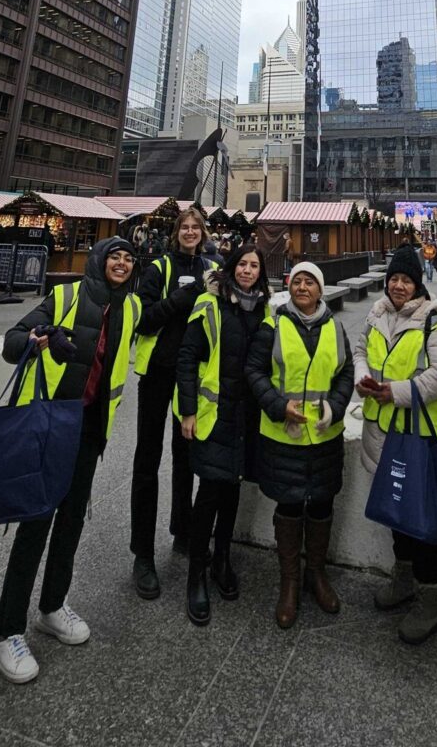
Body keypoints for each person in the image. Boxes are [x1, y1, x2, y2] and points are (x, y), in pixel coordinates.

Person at [0, 237, 141, 684]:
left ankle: (52, 607)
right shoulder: (65, 296)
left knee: (72, 521)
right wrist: (42, 340)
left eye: (129, 259)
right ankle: (5, 633)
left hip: (91, 431)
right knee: (35, 524)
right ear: (99, 261)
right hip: (50, 424)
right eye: (115, 256)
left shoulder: (130, 308)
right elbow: (11, 341)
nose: (122, 263)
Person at [353, 244, 437, 645]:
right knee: (397, 514)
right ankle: (403, 580)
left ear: (417, 285)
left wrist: (393, 392)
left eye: (406, 280)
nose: (398, 285)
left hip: (416, 436)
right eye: (394, 279)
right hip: (381, 433)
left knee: (420, 521)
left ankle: (430, 602)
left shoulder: (433, 323)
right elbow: (361, 349)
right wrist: (364, 378)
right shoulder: (377, 314)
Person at [246, 262, 354, 628]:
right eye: (297, 281)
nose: (302, 287)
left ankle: (316, 574)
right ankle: (289, 582)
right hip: (283, 435)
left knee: (322, 501)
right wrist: (278, 407)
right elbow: (254, 371)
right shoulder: (273, 325)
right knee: (290, 504)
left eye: (310, 282)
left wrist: (335, 408)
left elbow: (346, 374)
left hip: (324, 435)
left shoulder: (336, 328)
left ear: (321, 290)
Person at [176, 244, 270, 625]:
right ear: (231, 268)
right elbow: (187, 357)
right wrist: (187, 410)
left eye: (254, 266)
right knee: (210, 493)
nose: (247, 271)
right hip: (214, 416)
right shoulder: (210, 304)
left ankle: (223, 561)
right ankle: (196, 574)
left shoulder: (266, 311)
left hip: (246, 418)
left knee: (232, 490)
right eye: (242, 264)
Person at [129, 208, 216, 599]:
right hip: (158, 372)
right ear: (175, 233)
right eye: (185, 227)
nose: (191, 232)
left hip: (193, 376)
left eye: (196, 227)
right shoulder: (158, 269)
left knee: (187, 457)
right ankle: (142, 554)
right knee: (147, 461)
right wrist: (183, 296)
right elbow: (143, 321)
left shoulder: (214, 268)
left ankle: (183, 531)